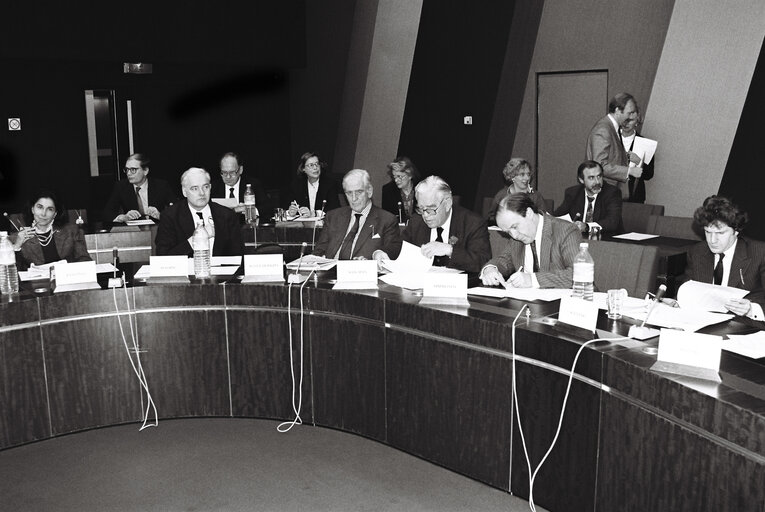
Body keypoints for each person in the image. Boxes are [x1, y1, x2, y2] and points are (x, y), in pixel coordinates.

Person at [682, 195, 765, 321]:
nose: (712, 240)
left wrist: (751, 309)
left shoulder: (759, 253)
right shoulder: (697, 252)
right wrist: (677, 303)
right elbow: (689, 290)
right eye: (708, 232)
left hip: (747, 326)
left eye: (720, 233)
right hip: (703, 323)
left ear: (736, 231)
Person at [387, 175, 490, 273]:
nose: (425, 215)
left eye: (431, 209)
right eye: (421, 209)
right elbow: (399, 246)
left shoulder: (472, 223)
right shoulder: (416, 221)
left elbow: (482, 261)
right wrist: (382, 253)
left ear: (448, 204)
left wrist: (450, 250)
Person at [480, 193, 580, 288]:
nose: (514, 235)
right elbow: (503, 260)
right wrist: (490, 269)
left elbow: (578, 275)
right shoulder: (517, 238)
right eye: (508, 232)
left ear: (529, 213)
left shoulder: (566, 231)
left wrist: (532, 279)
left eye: (515, 227)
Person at [313, 169, 402, 261]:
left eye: (359, 192)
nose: (354, 198)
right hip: (331, 272)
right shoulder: (333, 217)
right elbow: (318, 252)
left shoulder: (387, 220)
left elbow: (392, 250)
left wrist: (374, 258)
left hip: (361, 272)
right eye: (349, 193)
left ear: (369, 191)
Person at [155, 167, 244, 256]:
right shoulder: (170, 216)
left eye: (205, 187)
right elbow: (163, 256)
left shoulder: (227, 215)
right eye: (195, 188)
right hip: (186, 269)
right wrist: (196, 240)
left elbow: (238, 255)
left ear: (210, 188)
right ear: (184, 191)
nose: (202, 193)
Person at [12, 190, 91, 270]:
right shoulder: (18, 237)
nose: (43, 213)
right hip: (35, 282)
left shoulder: (72, 231)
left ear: (55, 214)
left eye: (50, 209)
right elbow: (13, 272)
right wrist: (17, 246)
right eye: (40, 207)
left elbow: (85, 261)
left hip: (67, 280)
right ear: (32, 209)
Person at [585, 93, 645, 197]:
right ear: (617, 111)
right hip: (603, 193)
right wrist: (629, 171)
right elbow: (599, 165)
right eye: (629, 113)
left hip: (610, 191)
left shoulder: (611, 128)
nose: (631, 117)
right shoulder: (604, 129)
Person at [102, 153, 176, 223]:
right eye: (127, 169)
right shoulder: (121, 186)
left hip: (157, 229)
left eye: (133, 170)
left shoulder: (161, 186)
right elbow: (107, 213)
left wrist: (160, 216)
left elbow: (177, 211)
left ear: (145, 171)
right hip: (134, 231)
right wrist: (123, 217)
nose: (128, 173)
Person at [554, 160, 623, 235]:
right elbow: (558, 216)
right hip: (578, 239)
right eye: (591, 178)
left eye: (599, 176)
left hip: (606, 239)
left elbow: (612, 222)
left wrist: (587, 227)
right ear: (581, 180)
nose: (597, 182)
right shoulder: (573, 193)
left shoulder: (612, 192)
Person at [211, 152, 270, 221]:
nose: (228, 176)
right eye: (224, 172)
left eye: (232, 172)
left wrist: (248, 210)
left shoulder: (253, 185)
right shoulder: (213, 187)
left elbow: (268, 208)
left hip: (246, 228)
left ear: (240, 170)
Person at [487, 158, 546, 225]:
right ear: (512, 177)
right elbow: (492, 218)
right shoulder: (501, 195)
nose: (527, 178)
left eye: (528, 174)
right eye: (522, 174)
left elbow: (543, 219)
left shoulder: (536, 196)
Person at [287, 152, 340, 217]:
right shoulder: (296, 185)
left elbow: (335, 209)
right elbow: (288, 206)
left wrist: (314, 213)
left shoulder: (330, 184)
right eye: (311, 165)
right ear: (303, 169)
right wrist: (291, 211)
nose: (315, 168)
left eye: (317, 164)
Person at [620, 110, 655, 203]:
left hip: (634, 196)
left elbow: (649, 175)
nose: (626, 123)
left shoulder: (645, 144)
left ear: (637, 121)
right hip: (609, 192)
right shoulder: (609, 138)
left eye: (630, 120)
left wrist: (639, 162)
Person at [381, 156, 421, 224]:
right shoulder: (388, 190)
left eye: (399, 176)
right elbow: (386, 218)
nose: (396, 180)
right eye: (394, 176)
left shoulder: (421, 189)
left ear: (410, 175)